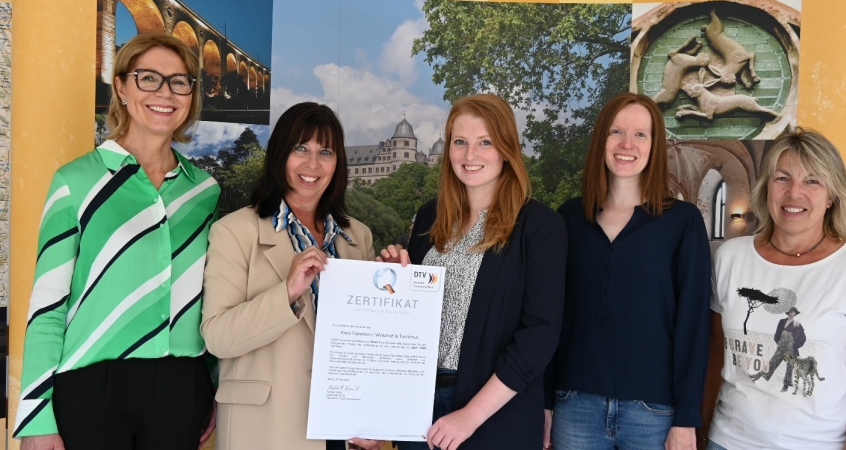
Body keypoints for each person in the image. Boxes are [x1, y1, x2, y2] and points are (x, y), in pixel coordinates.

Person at [14, 34, 220, 450]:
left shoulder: (205, 192)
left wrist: (212, 386)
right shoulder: (76, 182)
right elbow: (48, 306)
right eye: (149, 79)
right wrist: (35, 417)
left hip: (181, 387)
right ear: (122, 88)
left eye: (180, 82)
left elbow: (210, 298)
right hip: (93, 388)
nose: (165, 93)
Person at [381, 93, 567, 450]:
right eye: (460, 142)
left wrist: (470, 416)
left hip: (494, 415)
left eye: (485, 142)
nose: (470, 155)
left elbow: (540, 335)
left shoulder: (540, 226)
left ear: (506, 149)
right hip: (415, 406)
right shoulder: (429, 216)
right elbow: (412, 317)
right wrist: (395, 281)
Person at [200, 102, 383, 450]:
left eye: (325, 151)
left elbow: (368, 345)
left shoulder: (359, 237)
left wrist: (391, 281)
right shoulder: (234, 231)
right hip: (266, 429)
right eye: (301, 148)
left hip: (341, 433)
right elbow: (218, 337)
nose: (312, 164)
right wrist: (285, 292)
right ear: (280, 155)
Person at [701, 128, 846, 450]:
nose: (794, 193)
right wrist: (701, 433)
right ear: (766, 188)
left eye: (812, 181)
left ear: (832, 195)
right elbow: (715, 356)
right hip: (727, 442)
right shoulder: (729, 258)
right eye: (782, 178)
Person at [546, 92, 711, 450]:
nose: (627, 144)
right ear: (600, 140)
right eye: (616, 132)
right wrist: (544, 404)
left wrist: (686, 417)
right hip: (574, 405)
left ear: (655, 146)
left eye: (640, 134)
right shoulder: (569, 219)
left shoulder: (682, 222)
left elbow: (693, 326)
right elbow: (550, 318)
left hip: (653, 412)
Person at [749, 306, 805, 391]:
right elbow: (777, 333)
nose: (791, 313)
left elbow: (803, 337)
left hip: (791, 348)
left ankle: (785, 386)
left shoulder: (797, 324)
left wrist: (795, 345)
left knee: (789, 366)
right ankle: (758, 375)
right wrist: (778, 342)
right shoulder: (782, 321)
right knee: (772, 361)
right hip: (781, 346)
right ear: (788, 312)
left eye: (793, 312)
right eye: (790, 311)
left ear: (795, 313)